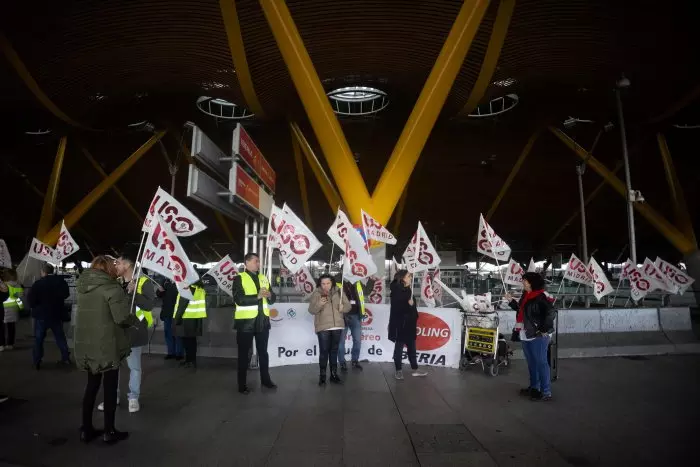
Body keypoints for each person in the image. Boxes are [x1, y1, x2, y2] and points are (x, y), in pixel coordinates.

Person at [74, 255, 136, 444]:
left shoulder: (82, 288)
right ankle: (109, 431)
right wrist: (132, 316)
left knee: (91, 387)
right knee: (110, 388)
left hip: (87, 344)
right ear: (109, 268)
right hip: (107, 345)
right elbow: (121, 318)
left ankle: (86, 429)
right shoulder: (112, 288)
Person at [97, 251, 155, 414]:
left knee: (134, 367)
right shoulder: (115, 282)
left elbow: (150, 306)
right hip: (115, 331)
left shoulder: (143, 282)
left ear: (128, 265)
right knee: (113, 367)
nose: (116, 265)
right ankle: (112, 397)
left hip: (134, 331)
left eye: (119, 263)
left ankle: (133, 397)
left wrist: (134, 293)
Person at [505, 272, 556, 402]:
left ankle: (546, 391)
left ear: (532, 282)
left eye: (525, 280)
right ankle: (534, 388)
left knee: (541, 362)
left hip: (538, 334)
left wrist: (543, 329)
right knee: (532, 362)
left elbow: (550, 313)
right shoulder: (526, 295)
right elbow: (522, 311)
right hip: (525, 332)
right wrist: (511, 301)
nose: (523, 282)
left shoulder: (541, 297)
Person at [232, 252, 277, 395]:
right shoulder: (239, 278)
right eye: (256, 261)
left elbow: (272, 298)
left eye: (259, 261)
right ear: (247, 262)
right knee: (244, 354)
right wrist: (257, 296)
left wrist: (270, 295)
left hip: (262, 321)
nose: (259, 264)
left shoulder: (263, 278)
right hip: (246, 323)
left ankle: (266, 380)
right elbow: (239, 299)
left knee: (263, 353)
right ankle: (242, 385)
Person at [309, 274, 351, 385]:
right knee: (324, 352)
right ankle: (322, 376)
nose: (325, 286)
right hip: (323, 327)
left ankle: (333, 375)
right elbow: (312, 310)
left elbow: (348, 306)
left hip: (337, 326)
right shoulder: (317, 293)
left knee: (334, 351)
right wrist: (319, 304)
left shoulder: (339, 292)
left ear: (332, 282)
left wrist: (344, 308)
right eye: (323, 283)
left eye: (328, 283)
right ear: (320, 284)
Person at [27, 263, 71, 368]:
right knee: (60, 337)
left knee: (39, 339)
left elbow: (31, 300)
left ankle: (37, 360)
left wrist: (36, 306)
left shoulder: (37, 284)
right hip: (56, 313)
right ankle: (66, 358)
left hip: (41, 314)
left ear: (43, 272)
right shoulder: (60, 282)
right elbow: (66, 294)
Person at [388, 270, 427, 380]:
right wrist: (409, 305)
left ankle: (415, 369)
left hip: (410, 325)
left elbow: (412, 308)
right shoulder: (396, 290)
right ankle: (398, 370)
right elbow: (397, 309)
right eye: (409, 276)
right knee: (399, 349)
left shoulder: (408, 290)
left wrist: (414, 313)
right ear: (402, 278)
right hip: (400, 325)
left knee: (412, 348)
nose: (411, 278)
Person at [173, 281, 207, 368]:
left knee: (187, 342)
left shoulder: (188, 288)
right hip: (195, 318)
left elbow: (182, 305)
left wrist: (176, 319)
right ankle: (191, 360)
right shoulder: (199, 289)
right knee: (191, 341)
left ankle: (190, 361)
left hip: (186, 318)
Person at [338, 280, 365, 372]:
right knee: (341, 341)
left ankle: (355, 360)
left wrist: (372, 280)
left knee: (357, 340)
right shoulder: (338, 281)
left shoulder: (357, 281)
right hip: (342, 316)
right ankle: (342, 362)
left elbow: (366, 291)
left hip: (356, 315)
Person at [158, 278, 183, 360]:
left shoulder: (180, 281)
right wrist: (160, 291)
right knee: (168, 333)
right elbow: (158, 294)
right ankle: (170, 352)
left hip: (177, 312)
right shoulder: (165, 281)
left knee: (178, 334)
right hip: (167, 312)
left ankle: (179, 353)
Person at [1, 269, 23, 351]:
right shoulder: (17, 285)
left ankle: (1, 344)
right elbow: (20, 296)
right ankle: (10, 344)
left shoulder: (2, 285)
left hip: (3, 309)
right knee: (11, 328)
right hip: (13, 309)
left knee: (1, 328)